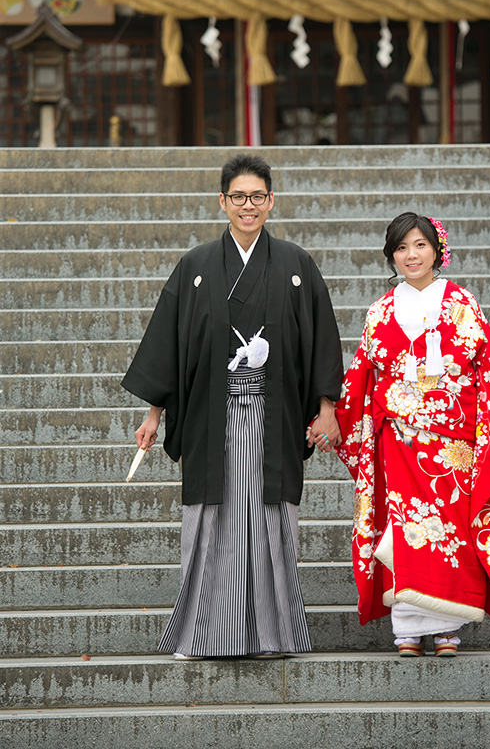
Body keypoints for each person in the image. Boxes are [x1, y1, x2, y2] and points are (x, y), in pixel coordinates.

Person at [121, 153, 343, 659]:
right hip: (209, 416)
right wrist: (153, 413)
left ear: (271, 201)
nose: (248, 206)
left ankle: (273, 635)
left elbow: (321, 339)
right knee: (213, 520)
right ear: (222, 201)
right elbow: (169, 345)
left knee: (269, 516)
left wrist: (326, 406)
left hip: (273, 413)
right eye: (238, 197)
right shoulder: (196, 265)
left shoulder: (295, 264)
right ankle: (206, 635)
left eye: (257, 197)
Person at [333, 212, 490, 657]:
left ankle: (448, 627)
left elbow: (489, 366)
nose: (411, 255)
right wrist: (336, 416)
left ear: (437, 250)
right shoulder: (381, 310)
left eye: (420, 245)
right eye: (402, 248)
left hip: (455, 443)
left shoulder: (461, 302)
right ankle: (407, 627)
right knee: (406, 528)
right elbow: (363, 377)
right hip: (401, 440)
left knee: (450, 531)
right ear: (392, 255)